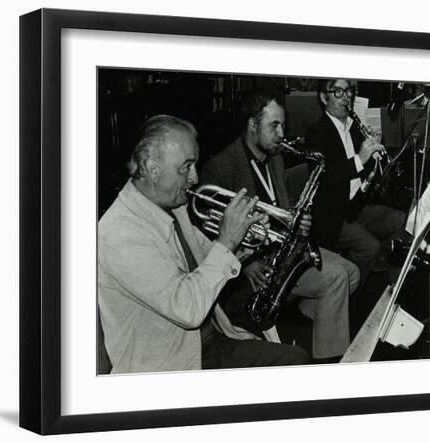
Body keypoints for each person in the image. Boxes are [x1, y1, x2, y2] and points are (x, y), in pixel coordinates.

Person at [98, 114, 309, 374]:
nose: (195, 177)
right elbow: (188, 308)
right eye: (185, 167)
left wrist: (245, 242)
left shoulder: (173, 207)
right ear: (152, 168)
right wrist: (227, 240)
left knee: (295, 360)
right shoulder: (120, 233)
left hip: (207, 343)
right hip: (168, 366)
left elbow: (209, 259)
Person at [200, 91, 360, 361]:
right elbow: (206, 233)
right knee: (335, 279)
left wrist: (297, 219)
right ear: (253, 125)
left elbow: (282, 206)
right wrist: (247, 263)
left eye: (283, 125)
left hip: (283, 249)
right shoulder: (222, 167)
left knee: (352, 273)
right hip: (257, 264)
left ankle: (301, 316)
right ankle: (329, 361)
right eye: (274, 125)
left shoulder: (274, 157)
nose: (281, 133)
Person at [305, 78, 406, 292]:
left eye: (349, 91)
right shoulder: (316, 133)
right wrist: (360, 158)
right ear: (324, 98)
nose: (347, 97)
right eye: (338, 92)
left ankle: (392, 291)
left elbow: (367, 174)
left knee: (400, 222)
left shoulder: (353, 128)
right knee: (370, 247)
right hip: (333, 214)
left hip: (357, 206)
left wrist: (376, 153)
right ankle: (347, 293)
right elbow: (324, 177)